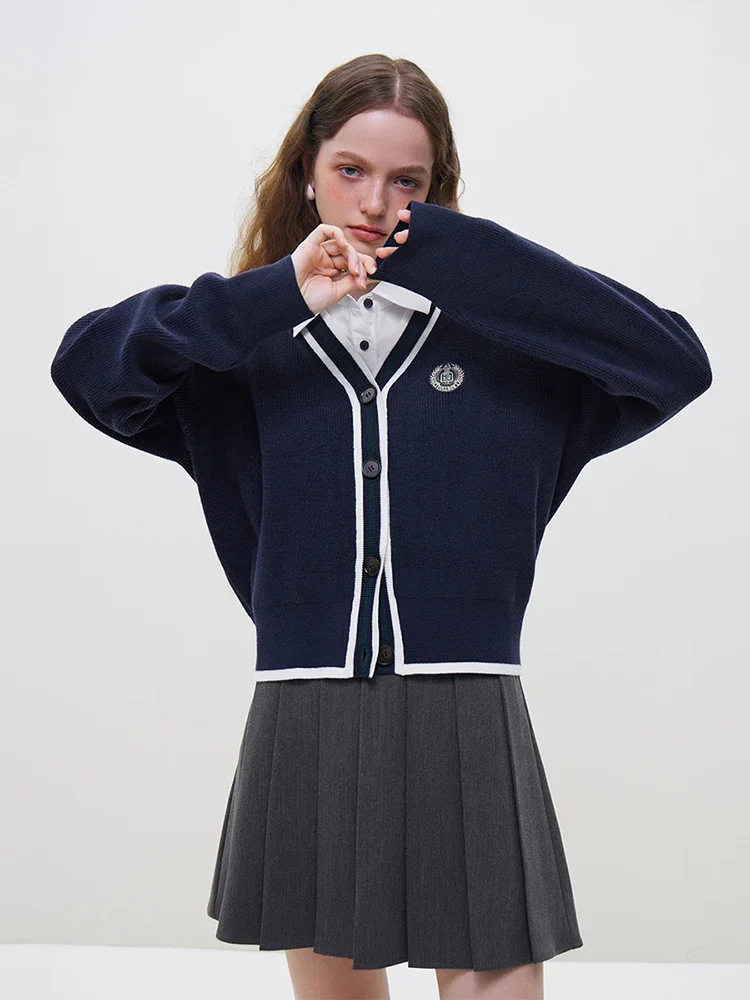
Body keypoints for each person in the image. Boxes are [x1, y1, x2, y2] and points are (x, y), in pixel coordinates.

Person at [50, 52, 712, 1000]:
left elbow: (673, 362)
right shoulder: (245, 349)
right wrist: (278, 292)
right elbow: (88, 369)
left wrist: (465, 257)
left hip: (469, 699)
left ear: (439, 194)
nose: (375, 202)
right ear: (307, 173)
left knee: (494, 968)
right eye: (351, 170)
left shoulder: (506, 347)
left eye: (409, 181)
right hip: (305, 697)